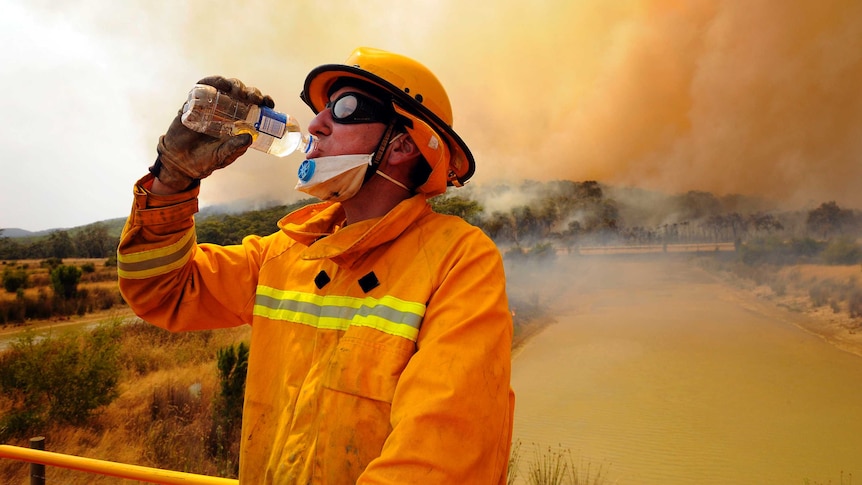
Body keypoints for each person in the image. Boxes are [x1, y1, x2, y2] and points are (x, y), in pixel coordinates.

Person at [117, 47, 515, 484]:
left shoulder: (458, 260)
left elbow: (439, 456)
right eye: (322, 108)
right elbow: (162, 289)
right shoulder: (288, 251)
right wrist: (172, 178)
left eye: (344, 109)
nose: (315, 124)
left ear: (402, 143)